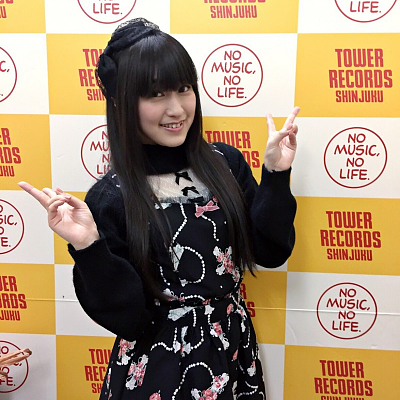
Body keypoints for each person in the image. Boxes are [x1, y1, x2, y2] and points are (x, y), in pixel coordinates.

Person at [19, 18, 299, 400]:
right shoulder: (111, 197)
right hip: (158, 368)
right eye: (155, 95)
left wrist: (276, 176)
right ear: (122, 103)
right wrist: (89, 247)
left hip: (232, 352)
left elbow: (270, 252)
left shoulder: (225, 163)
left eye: (184, 88)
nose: (176, 108)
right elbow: (130, 319)